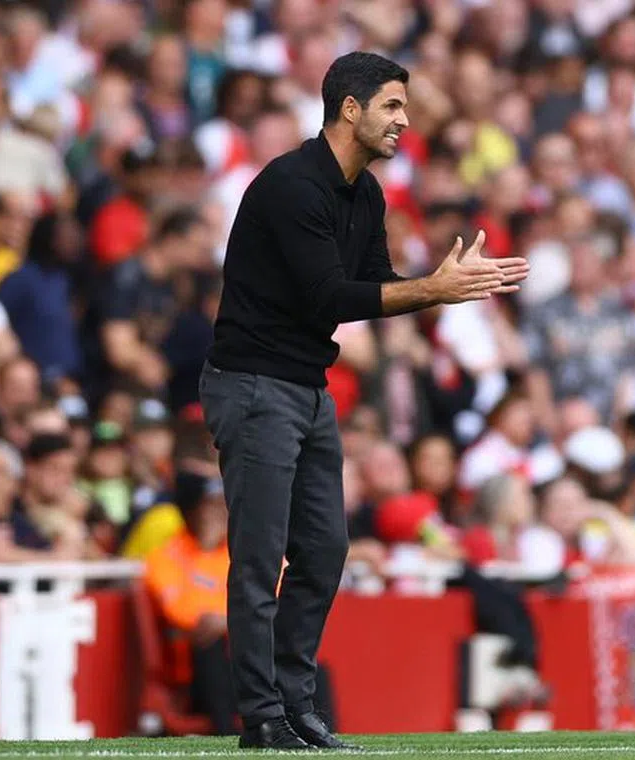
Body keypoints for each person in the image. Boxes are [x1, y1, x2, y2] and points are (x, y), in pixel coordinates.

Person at [200, 51, 529, 750]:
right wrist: (431, 290)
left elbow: (375, 288)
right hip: (255, 385)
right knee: (260, 558)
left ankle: (296, 701)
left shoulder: (367, 194)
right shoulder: (293, 186)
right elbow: (331, 297)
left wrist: (440, 285)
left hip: (306, 387)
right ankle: (261, 716)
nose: (404, 122)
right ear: (349, 109)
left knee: (323, 549)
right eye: (392, 107)